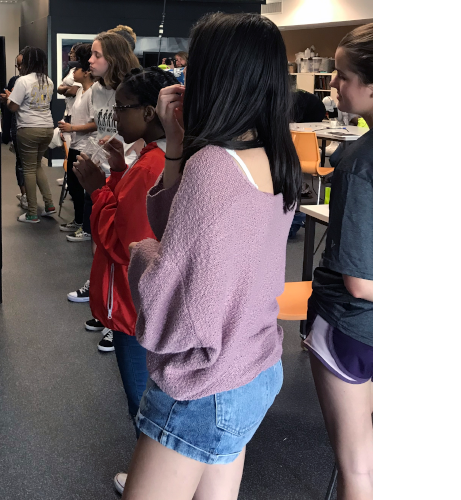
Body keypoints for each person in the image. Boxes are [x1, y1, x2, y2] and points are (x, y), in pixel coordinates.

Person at [122, 13, 301, 499]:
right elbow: (191, 241)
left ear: (214, 76)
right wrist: (178, 145)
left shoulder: (214, 169)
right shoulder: (276, 157)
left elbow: (172, 303)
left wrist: (142, 255)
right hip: (255, 363)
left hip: (206, 382)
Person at [72, 67, 179, 494]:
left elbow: (122, 245)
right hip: (145, 303)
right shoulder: (159, 158)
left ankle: (153, 480)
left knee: (142, 401)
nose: (115, 116)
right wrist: (116, 172)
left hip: (133, 307)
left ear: (150, 112)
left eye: (123, 108)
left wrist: (98, 189)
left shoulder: (151, 165)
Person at [306, 23, 373, 500]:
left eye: (343, 75)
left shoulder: (358, 162)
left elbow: (360, 283)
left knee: (356, 469)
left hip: (350, 326)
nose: (333, 84)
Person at [65, 31, 142, 347]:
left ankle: (120, 315)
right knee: (99, 234)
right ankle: (104, 298)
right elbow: (103, 127)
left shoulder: (135, 87)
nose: (90, 61)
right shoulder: (95, 90)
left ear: (113, 57)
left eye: (96, 55)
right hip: (104, 168)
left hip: (130, 171)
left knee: (123, 242)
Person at [1, 47, 56, 223]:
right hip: (47, 128)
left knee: (29, 169)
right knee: (38, 166)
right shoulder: (48, 81)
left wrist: (8, 99)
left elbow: (13, 107)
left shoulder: (22, 81)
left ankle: (32, 212)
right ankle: (49, 204)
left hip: (28, 129)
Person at [56, 44, 97, 233]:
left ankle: (85, 226)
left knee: (84, 189)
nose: (74, 73)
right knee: (73, 185)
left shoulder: (93, 94)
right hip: (76, 143)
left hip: (86, 147)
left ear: (87, 72)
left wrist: (72, 127)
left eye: (77, 69)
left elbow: (96, 124)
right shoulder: (80, 91)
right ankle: (79, 220)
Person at [5, 51, 27, 208]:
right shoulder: (14, 80)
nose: (19, 68)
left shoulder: (37, 82)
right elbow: (10, 105)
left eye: (22, 64)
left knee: (30, 165)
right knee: (20, 162)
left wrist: (13, 98)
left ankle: (31, 197)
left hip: (28, 127)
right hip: (16, 125)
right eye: (17, 65)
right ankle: (26, 194)